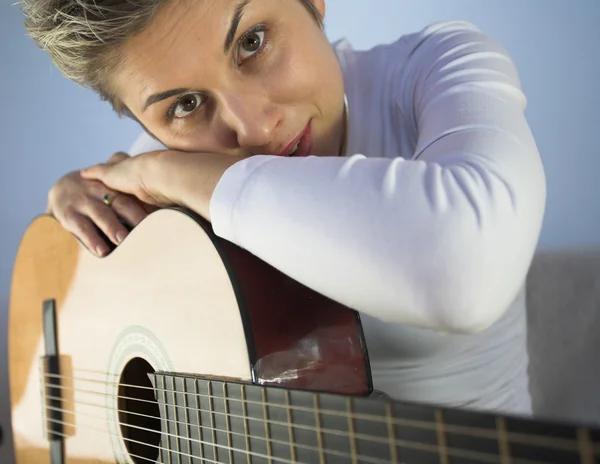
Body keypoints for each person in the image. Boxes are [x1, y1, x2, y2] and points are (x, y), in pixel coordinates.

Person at [21, 0, 546, 415]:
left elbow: (465, 275)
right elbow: (48, 381)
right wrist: (71, 227)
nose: (253, 128)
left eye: (253, 42)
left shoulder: (439, 66)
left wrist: (168, 172)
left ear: (313, 2)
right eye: (184, 105)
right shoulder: (166, 179)